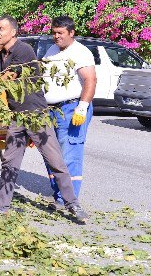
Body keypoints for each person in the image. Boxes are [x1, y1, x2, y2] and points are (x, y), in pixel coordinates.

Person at [0, 15, 88, 222]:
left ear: (13, 32)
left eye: (1, 29)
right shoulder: (1, 56)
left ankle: (72, 204)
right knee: (10, 161)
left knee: (55, 160)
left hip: (36, 116)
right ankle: (1, 205)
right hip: (17, 116)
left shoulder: (23, 50)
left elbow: (8, 77)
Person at [42, 15, 96, 207]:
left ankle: (68, 199)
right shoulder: (52, 50)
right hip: (51, 111)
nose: (56, 37)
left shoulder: (80, 52)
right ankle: (58, 194)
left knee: (69, 153)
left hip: (71, 108)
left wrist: (82, 107)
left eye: (60, 33)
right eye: (54, 33)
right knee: (52, 154)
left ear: (71, 33)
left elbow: (90, 80)